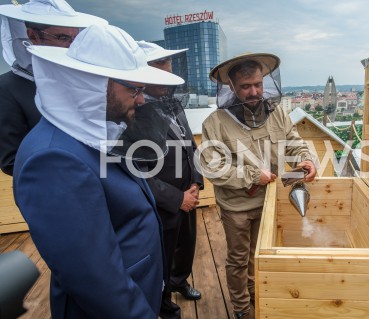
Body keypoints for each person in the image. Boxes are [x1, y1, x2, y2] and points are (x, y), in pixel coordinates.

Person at [13, 24, 184, 318]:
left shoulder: (89, 133)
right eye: (134, 88)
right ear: (93, 83)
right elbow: (94, 278)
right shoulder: (52, 159)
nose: (141, 99)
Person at [200, 53, 317, 319]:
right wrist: (253, 175)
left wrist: (305, 159)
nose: (253, 92)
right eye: (245, 86)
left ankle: (255, 293)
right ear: (231, 87)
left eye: (257, 84)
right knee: (238, 260)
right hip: (237, 208)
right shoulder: (214, 124)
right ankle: (242, 309)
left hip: (270, 201)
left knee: (259, 254)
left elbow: (294, 141)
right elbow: (213, 167)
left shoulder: (278, 114)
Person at [135, 41, 203, 319]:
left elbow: (191, 147)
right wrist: (177, 199)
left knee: (186, 245)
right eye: (159, 65)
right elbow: (137, 171)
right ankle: (163, 302)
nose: (167, 70)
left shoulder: (174, 103)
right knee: (160, 253)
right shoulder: (134, 112)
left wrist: (196, 182)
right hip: (162, 202)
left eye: (169, 64)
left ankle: (179, 282)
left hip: (189, 192)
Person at [0, 0, 107, 176]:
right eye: (63, 38)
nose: (71, 46)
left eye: (75, 38)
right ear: (33, 36)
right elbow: (11, 160)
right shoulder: (5, 89)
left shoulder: (81, 78)